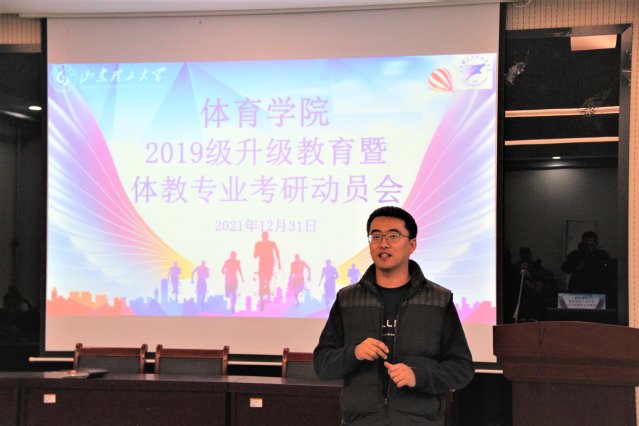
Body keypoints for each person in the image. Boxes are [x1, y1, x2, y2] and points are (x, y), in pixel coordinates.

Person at [313, 206, 474, 425]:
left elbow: (462, 369)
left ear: (412, 244)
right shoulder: (348, 299)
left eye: (393, 236)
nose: (383, 244)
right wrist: (354, 353)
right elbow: (322, 365)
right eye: (376, 236)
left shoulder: (438, 300)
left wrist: (418, 376)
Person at [254, 231, 281, 311]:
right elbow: (277, 252)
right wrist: (279, 262)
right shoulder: (269, 243)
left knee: (262, 282)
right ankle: (264, 297)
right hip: (268, 264)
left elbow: (255, 255)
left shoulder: (259, 244)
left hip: (265, 264)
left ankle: (263, 298)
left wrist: (279, 262)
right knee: (266, 281)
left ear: (262, 236)